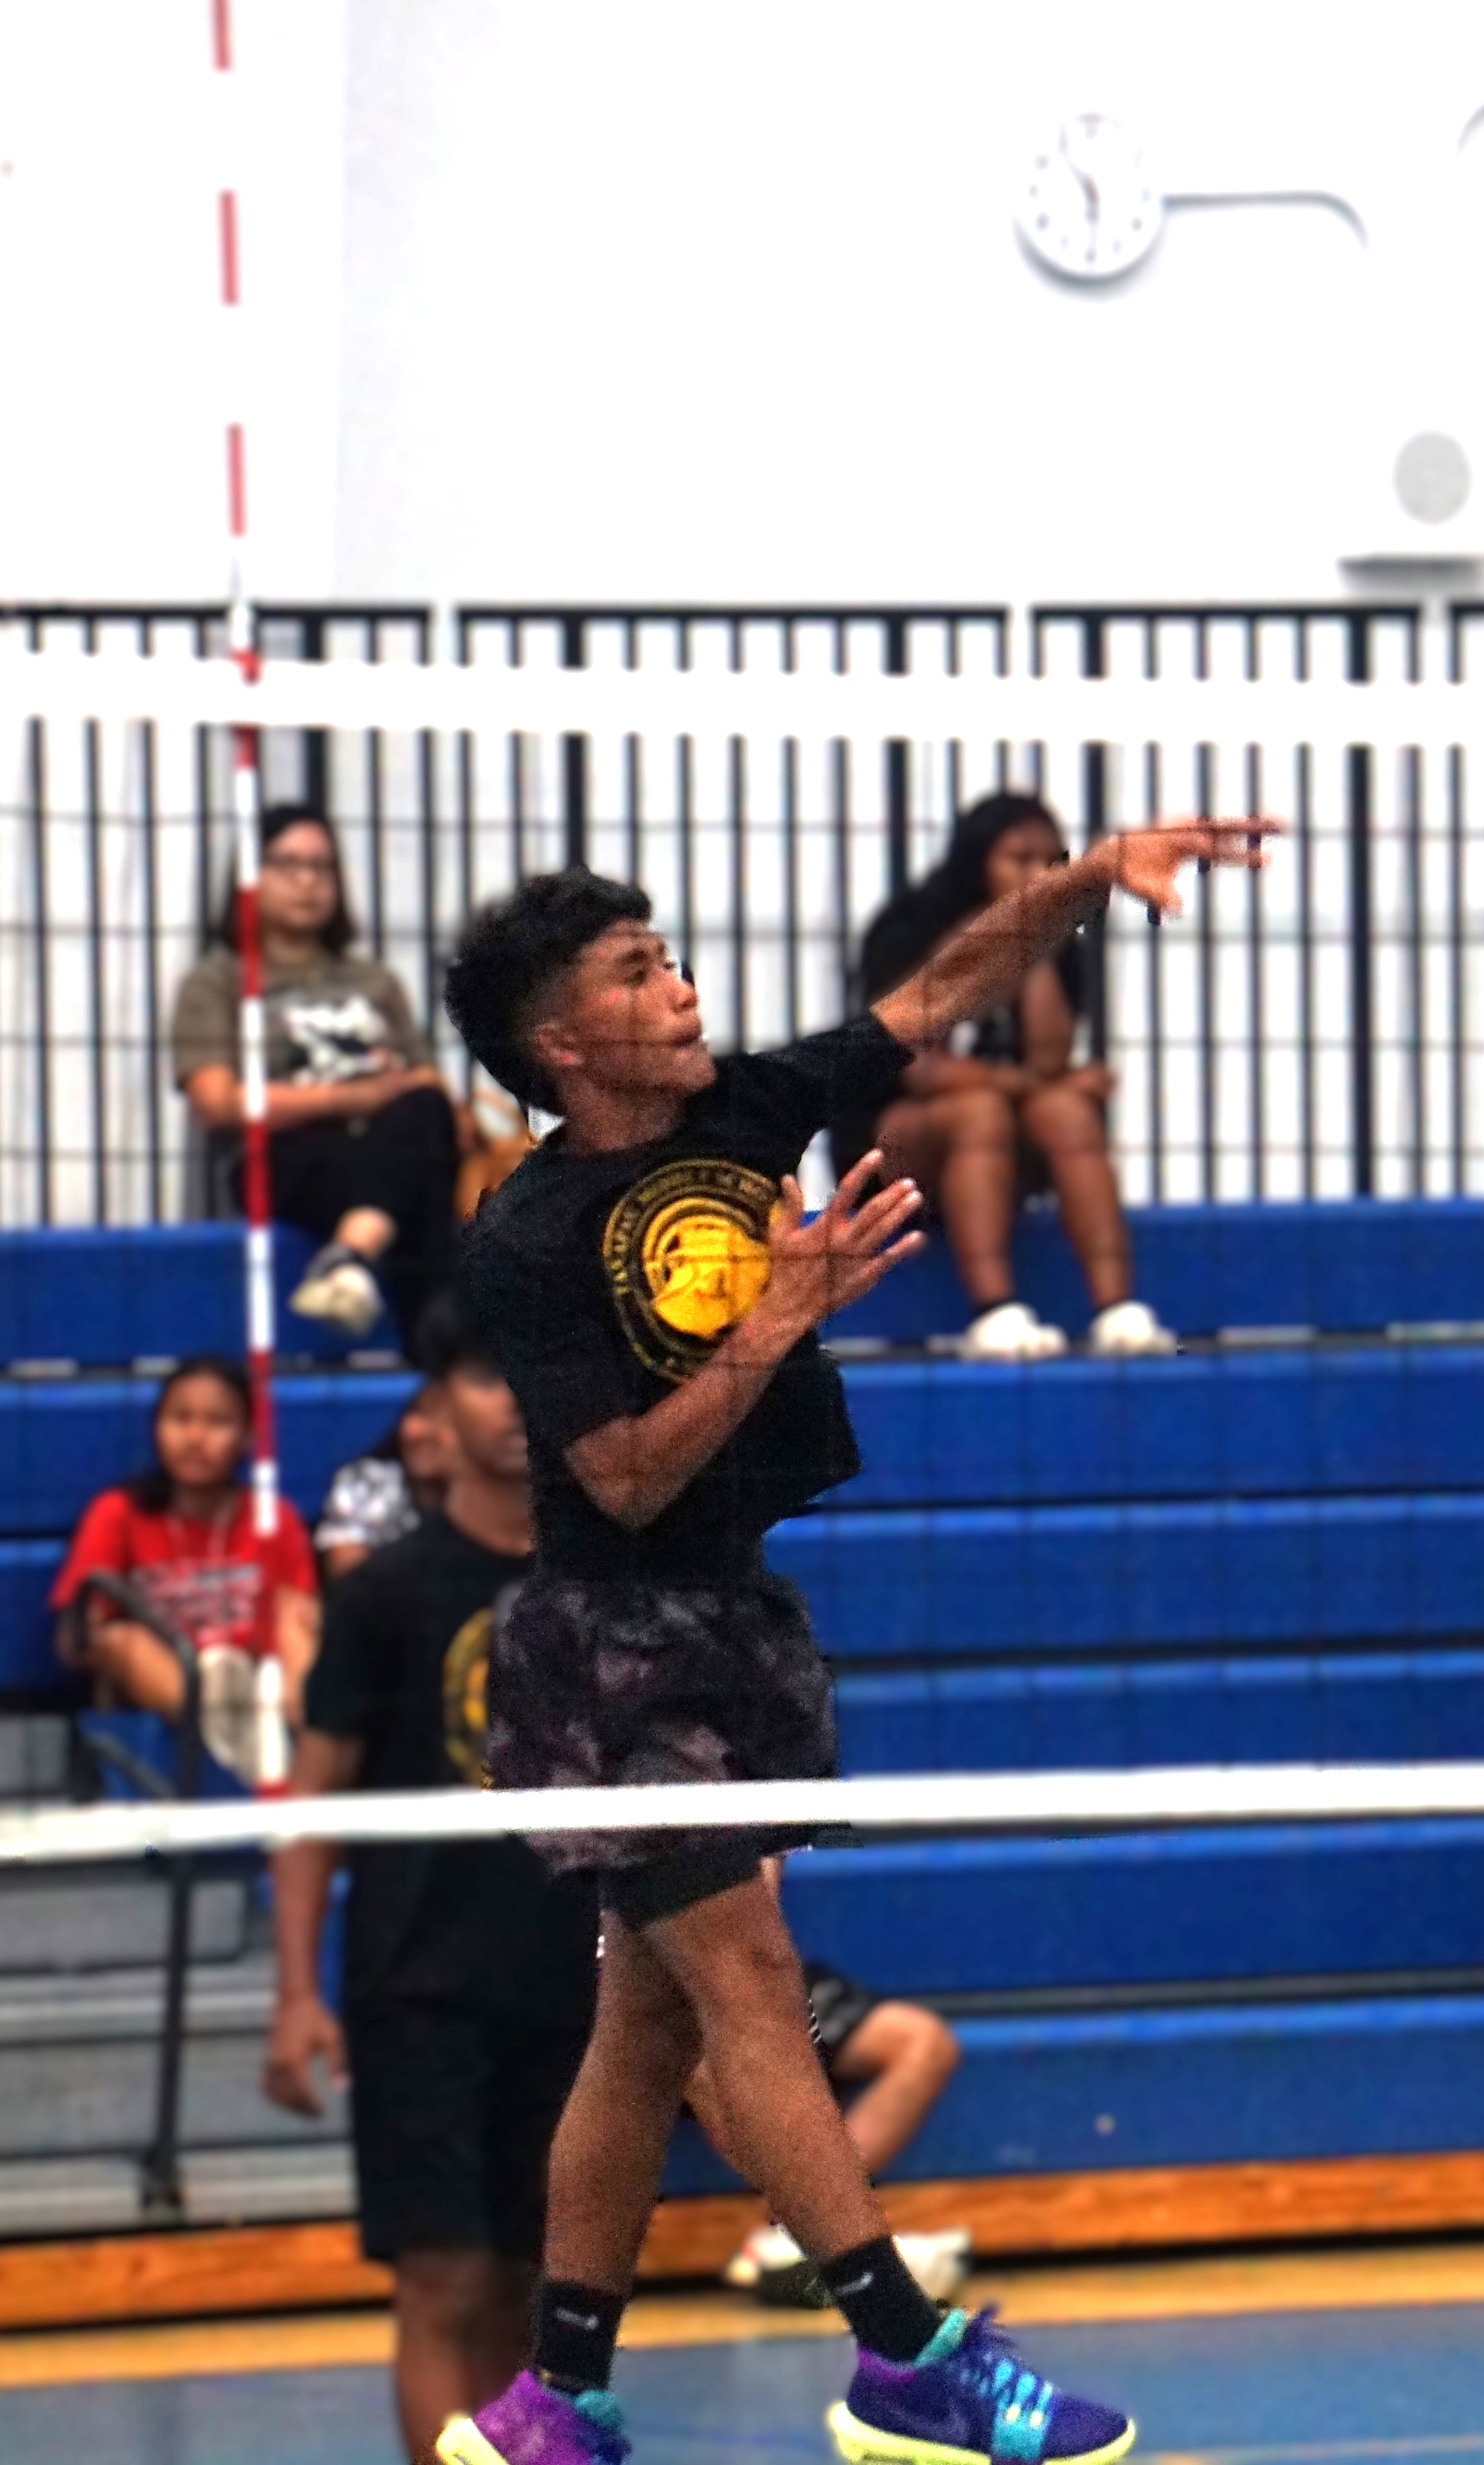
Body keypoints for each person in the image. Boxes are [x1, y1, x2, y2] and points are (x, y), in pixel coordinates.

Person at [436, 823, 1266, 2465]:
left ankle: (555, 2396)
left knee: (647, 2023)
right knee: (743, 1975)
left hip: (735, 1610)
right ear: (561, 1043)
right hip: (610, 1642)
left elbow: (938, 984)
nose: (678, 985)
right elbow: (621, 1472)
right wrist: (773, 1320)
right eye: (636, 972)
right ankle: (908, 2356)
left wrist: (1093, 874)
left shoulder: (743, 1106)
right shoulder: (527, 1238)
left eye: (669, 954)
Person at [262, 1298, 598, 2465]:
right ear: (437, 1411)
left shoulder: (602, 1586)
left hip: (568, 1990)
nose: (509, 1403)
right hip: (419, 1994)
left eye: (530, 1374)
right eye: (481, 1378)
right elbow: (311, 1811)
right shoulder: (384, 1596)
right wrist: (297, 1990)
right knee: (442, 2279)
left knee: (537, 2287)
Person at [844, 792, 1174, 1362]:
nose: (1036, 873)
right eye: (1018, 858)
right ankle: (993, 1312)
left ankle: (1118, 1311)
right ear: (978, 860)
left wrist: (1031, 945)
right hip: (895, 1140)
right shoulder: (911, 927)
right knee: (982, 1110)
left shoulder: (1060, 938)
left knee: (1066, 1111)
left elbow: (1048, 1064)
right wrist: (986, 944)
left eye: (1050, 860)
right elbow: (920, 1070)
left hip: (1002, 1137)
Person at [173, 803, 462, 1340]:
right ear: (250, 876)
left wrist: (385, 1096)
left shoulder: (374, 980)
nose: (307, 882)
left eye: (322, 867)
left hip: (387, 1143)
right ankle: (428, 1353)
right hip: (287, 1155)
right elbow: (218, 1103)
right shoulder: (218, 981)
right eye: (288, 864)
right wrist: (350, 1098)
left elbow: (428, 1085)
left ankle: (349, 1256)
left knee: (424, 1114)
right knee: (418, 1188)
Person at [49, 1355, 319, 1778]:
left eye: (217, 1422)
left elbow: (295, 1623)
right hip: (160, 1707)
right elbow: (76, 1641)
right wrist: (96, 1636)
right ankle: (217, 1728)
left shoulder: (274, 1517)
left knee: (298, 1631)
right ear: (157, 1427)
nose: (195, 1437)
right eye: (180, 1418)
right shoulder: (118, 1513)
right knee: (125, 1637)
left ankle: (299, 1760)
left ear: (248, 1436)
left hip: (259, 1693)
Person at [701, 1929, 970, 2306]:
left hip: (751, 1956)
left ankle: (806, 2232)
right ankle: (817, 2231)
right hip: (673, 1971)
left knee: (923, 2042)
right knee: (708, 2059)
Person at [315, 1372, 459, 1583]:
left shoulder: (503, 1496)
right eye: (421, 1413)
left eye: (448, 1421)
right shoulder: (366, 1481)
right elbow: (350, 1586)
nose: (427, 1432)